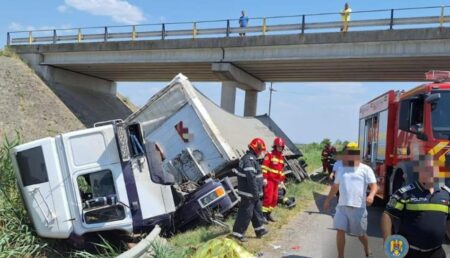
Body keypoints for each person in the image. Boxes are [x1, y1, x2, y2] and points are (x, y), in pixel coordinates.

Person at [381, 155, 450, 258]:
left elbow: (448, 220)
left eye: (434, 169)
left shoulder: (446, 194)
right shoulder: (404, 193)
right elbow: (388, 215)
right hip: (409, 251)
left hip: (436, 252)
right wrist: (388, 241)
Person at [323, 142, 377, 258]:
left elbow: (374, 185)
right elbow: (335, 186)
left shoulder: (365, 169)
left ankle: (367, 248)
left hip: (358, 207)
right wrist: (328, 200)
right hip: (342, 207)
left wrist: (371, 195)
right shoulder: (341, 169)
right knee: (340, 230)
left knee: (360, 234)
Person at [231, 138, 269, 242]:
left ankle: (259, 230)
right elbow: (251, 178)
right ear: (257, 149)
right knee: (246, 213)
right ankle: (237, 234)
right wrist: (256, 193)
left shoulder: (250, 158)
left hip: (252, 192)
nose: (261, 153)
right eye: (261, 150)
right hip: (249, 193)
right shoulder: (249, 160)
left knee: (257, 211)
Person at [261, 137, 286, 222]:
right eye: (278, 146)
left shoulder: (281, 157)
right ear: (275, 146)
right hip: (269, 181)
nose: (280, 148)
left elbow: (281, 170)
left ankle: (269, 213)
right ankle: (263, 215)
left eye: (281, 147)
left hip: (277, 182)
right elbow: (264, 167)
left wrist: (282, 181)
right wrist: (264, 179)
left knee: (275, 199)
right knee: (268, 198)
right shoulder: (269, 155)